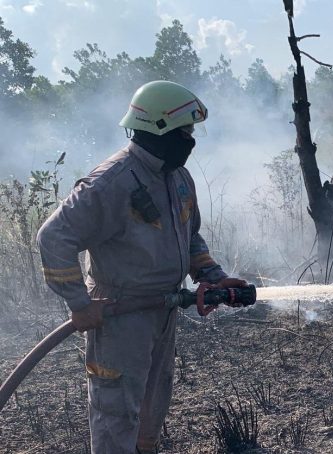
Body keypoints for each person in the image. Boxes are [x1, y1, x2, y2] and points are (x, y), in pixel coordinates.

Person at [36, 80, 247, 453]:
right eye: (185, 131)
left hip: (162, 310)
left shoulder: (177, 177)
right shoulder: (110, 183)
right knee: (116, 417)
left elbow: (190, 236)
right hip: (119, 314)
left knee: (151, 413)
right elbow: (53, 238)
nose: (191, 140)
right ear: (160, 129)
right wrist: (80, 304)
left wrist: (213, 277)